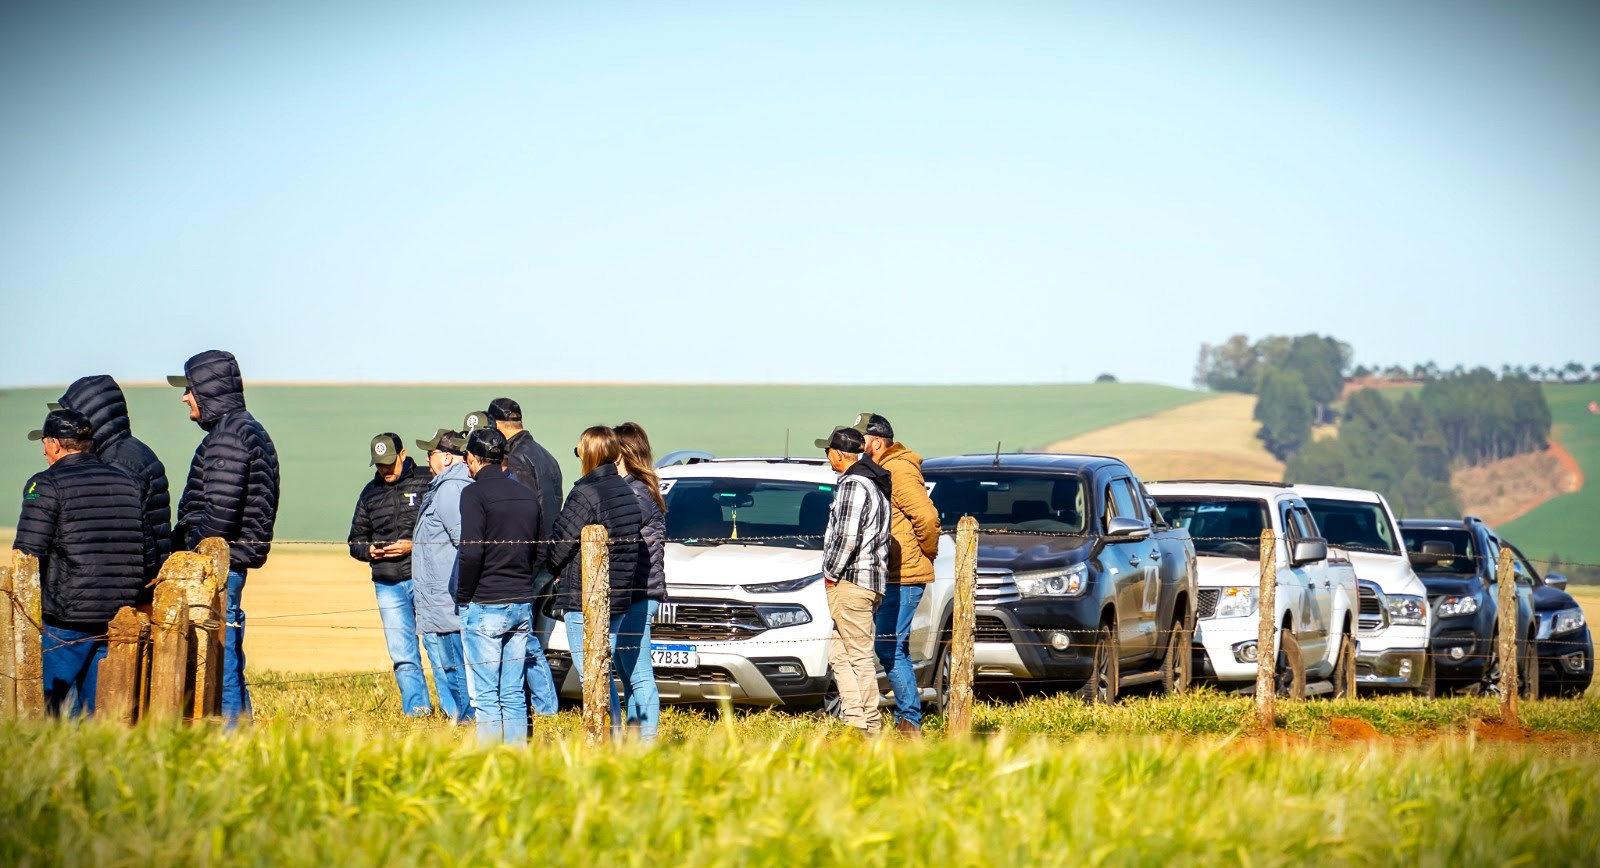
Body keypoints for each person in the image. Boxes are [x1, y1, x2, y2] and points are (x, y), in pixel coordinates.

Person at [14, 409, 153, 716]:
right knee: (99, 709)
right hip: (117, 615)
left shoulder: (45, 484)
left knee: (52, 709)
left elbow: (27, 554)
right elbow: (145, 546)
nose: (43, 450)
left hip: (66, 617)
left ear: (54, 445)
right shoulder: (128, 482)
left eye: (45, 444)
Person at [169, 350, 280, 723]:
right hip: (233, 562)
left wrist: (188, 554)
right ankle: (242, 734)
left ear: (208, 390)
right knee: (227, 649)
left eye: (189, 389)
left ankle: (231, 738)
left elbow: (218, 515)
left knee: (218, 654)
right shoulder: (245, 429)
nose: (185, 397)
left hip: (218, 566)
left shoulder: (228, 438)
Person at [544, 426, 644, 741]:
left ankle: (603, 739)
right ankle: (613, 735)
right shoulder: (626, 491)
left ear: (589, 454)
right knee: (601, 672)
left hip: (584, 598)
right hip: (619, 595)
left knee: (592, 674)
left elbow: (559, 544)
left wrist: (551, 564)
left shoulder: (586, 493)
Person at [455, 428, 552, 744]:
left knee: (485, 696)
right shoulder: (526, 494)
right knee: (512, 692)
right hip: (520, 602)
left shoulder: (473, 495)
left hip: (485, 602)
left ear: (472, 458)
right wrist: (524, 582)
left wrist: (464, 595)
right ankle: (516, 764)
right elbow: (540, 550)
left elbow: (470, 551)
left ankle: (491, 767)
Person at [854, 412, 940, 735]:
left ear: (876, 442)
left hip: (903, 574)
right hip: (894, 572)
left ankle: (910, 722)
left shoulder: (898, 469)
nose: (858, 446)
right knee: (895, 646)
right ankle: (907, 720)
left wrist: (925, 555)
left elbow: (927, 519)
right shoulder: (885, 467)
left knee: (888, 646)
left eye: (862, 440)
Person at [51, 375, 173, 597]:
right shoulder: (127, 451)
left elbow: (129, 532)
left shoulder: (117, 463)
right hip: (139, 579)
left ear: (88, 417)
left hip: (130, 586)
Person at [486, 397, 564, 716]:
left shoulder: (515, 459)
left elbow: (518, 515)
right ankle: (541, 704)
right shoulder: (546, 456)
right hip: (548, 557)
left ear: (496, 426)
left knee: (523, 639)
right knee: (528, 635)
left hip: (527, 560)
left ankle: (541, 707)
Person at [346, 433, 434, 717]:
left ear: (403, 454)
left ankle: (456, 710)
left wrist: (413, 545)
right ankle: (417, 711)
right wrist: (369, 551)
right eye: (379, 465)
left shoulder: (426, 480)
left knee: (439, 645)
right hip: (387, 583)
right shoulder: (369, 493)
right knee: (402, 654)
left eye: (389, 463)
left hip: (425, 578)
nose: (385, 470)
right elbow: (355, 540)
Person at [817, 425, 892, 736]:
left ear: (837, 454)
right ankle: (855, 719)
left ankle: (868, 725)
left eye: (828, 452)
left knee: (857, 655)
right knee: (840, 653)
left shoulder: (852, 485)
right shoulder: (873, 483)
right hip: (870, 580)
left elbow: (846, 536)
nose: (827, 458)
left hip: (851, 581)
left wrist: (830, 574)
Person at [410, 429, 474, 723]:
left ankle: (465, 723)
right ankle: (463, 719)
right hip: (442, 596)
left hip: (446, 599)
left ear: (448, 457)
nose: (427, 458)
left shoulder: (450, 489)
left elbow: (464, 541)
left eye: (431, 453)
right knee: (453, 665)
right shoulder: (446, 486)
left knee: (455, 667)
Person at [613, 421, 667, 741]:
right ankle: (636, 740)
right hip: (635, 591)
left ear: (622, 454)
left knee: (639, 675)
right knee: (629, 674)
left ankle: (646, 744)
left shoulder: (635, 493)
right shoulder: (639, 489)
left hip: (639, 592)